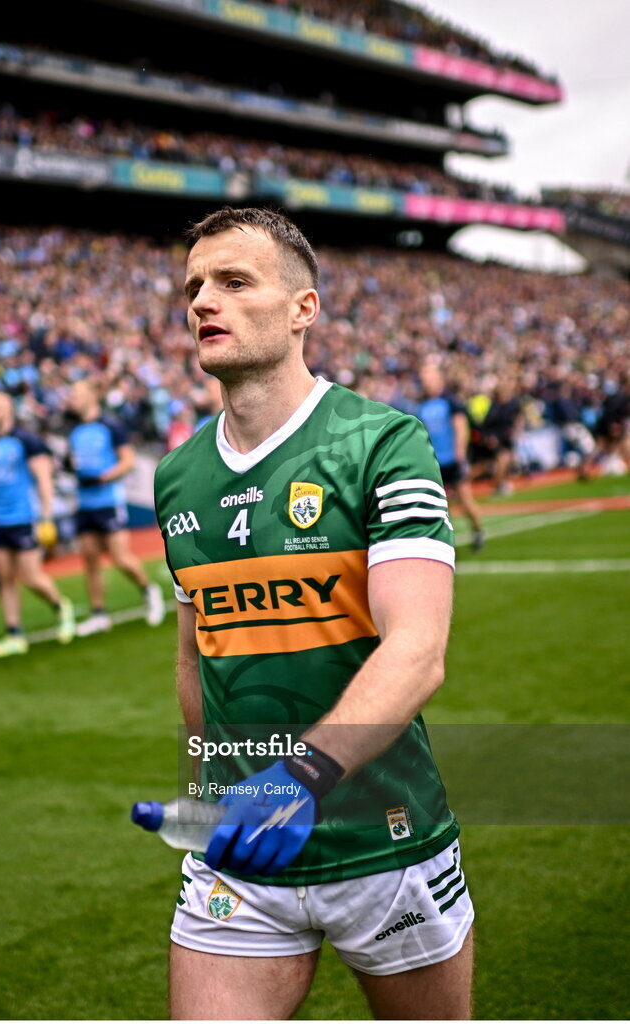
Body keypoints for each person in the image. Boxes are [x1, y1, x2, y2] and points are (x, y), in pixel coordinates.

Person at [154, 207, 473, 1020]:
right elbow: (199, 656)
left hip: (385, 838)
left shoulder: (380, 442)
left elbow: (416, 650)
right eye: (193, 286)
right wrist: (203, 797)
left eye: (232, 281)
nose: (201, 302)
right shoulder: (176, 476)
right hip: (239, 856)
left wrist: (297, 781)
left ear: (304, 309)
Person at [0, 390, 75, 657]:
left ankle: (61, 607)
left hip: (24, 517)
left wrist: (45, 517)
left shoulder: (27, 440)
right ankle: (14, 634)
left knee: (31, 576)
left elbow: (44, 480)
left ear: (9, 408)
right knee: (5, 579)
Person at [66, 378, 165, 635]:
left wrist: (102, 477)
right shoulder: (75, 430)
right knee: (89, 560)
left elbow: (128, 461)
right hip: (84, 503)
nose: (72, 398)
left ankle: (149, 590)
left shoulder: (111, 425)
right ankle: (98, 614)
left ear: (92, 395)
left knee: (120, 557)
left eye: (77, 393)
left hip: (108, 500)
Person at [417, 362, 485, 550]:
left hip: (452, 459)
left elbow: (461, 427)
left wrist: (460, 454)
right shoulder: (422, 406)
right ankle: (444, 540)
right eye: (423, 379)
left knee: (464, 498)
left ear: (438, 379)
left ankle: (478, 530)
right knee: (438, 504)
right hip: (434, 462)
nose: (425, 382)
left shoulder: (450, 401)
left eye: (428, 377)